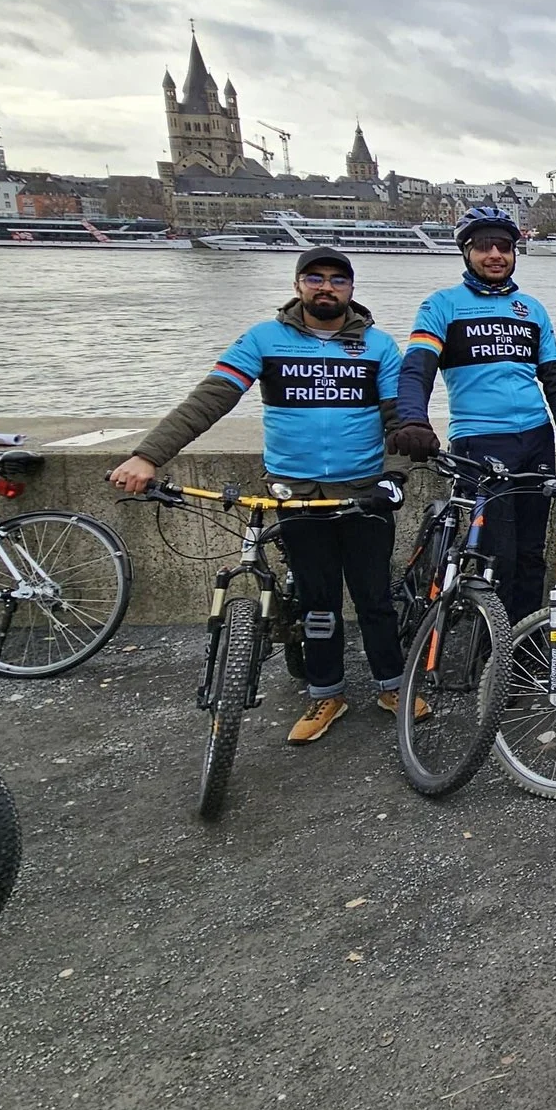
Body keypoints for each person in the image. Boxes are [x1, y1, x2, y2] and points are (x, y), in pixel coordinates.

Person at [108, 247, 413, 743]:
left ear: (351, 289)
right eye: (314, 278)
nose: (326, 287)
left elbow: (401, 420)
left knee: (375, 597)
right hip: (297, 494)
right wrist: (148, 456)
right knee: (317, 602)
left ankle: (393, 685)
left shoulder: (378, 346)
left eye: (337, 279)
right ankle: (326, 693)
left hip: (363, 493)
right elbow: (209, 400)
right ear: (297, 286)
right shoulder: (264, 339)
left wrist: (393, 478)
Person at [389, 207, 556, 624]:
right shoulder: (442, 306)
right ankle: (492, 646)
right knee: (499, 554)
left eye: (504, 246)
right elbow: (417, 370)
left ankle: (523, 640)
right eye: (484, 246)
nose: (495, 254)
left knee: (532, 552)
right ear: (466, 251)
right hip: (479, 440)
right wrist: (413, 419)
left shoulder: (531, 309)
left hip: (535, 438)